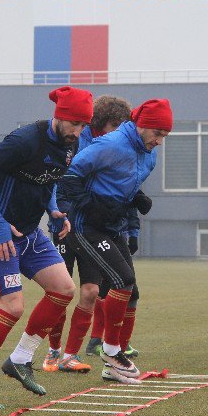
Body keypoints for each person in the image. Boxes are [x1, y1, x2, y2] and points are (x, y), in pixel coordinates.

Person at [0, 86, 93, 409]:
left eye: (83, 125)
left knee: (63, 289)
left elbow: (49, 180)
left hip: (30, 233)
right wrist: (0, 224)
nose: (78, 131)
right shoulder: (24, 140)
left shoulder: (70, 144)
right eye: (74, 124)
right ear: (59, 117)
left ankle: (20, 360)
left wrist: (55, 211)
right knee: (12, 308)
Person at [61, 99, 173, 384]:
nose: (160, 141)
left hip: (113, 226)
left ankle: (113, 362)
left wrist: (136, 199)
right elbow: (68, 177)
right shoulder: (109, 144)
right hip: (86, 226)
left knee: (131, 292)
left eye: (165, 136)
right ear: (141, 125)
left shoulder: (148, 154)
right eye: (157, 133)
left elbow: (123, 183)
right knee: (122, 280)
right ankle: (110, 351)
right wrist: (88, 204)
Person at [42, 95, 139, 374]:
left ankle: (70, 356)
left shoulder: (114, 148)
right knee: (61, 290)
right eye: (115, 126)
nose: (120, 132)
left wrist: (129, 225)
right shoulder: (77, 142)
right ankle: (52, 351)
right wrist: (59, 213)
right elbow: (59, 181)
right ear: (102, 122)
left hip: (91, 228)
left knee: (91, 291)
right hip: (65, 227)